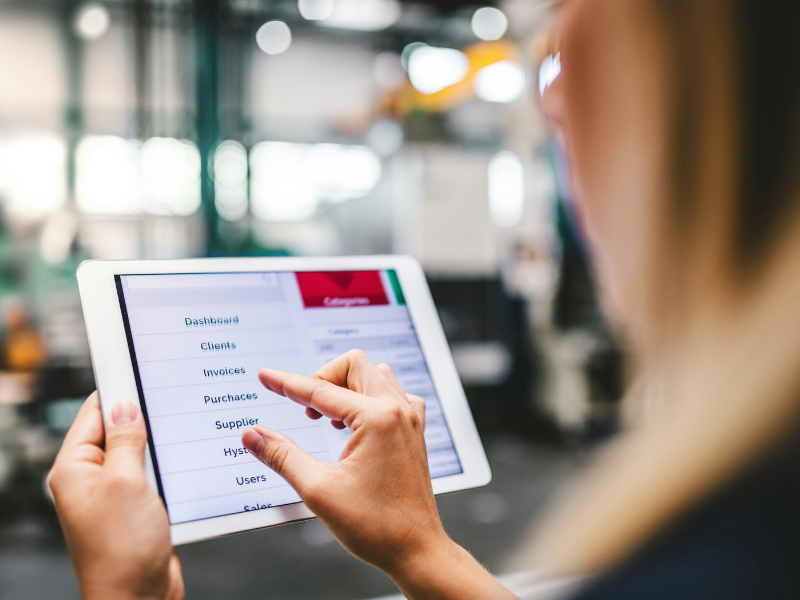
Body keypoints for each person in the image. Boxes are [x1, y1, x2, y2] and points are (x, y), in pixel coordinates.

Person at [48, 0, 800, 598]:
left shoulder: (719, 552)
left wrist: (123, 593)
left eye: (564, 43)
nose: (556, 104)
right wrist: (420, 550)